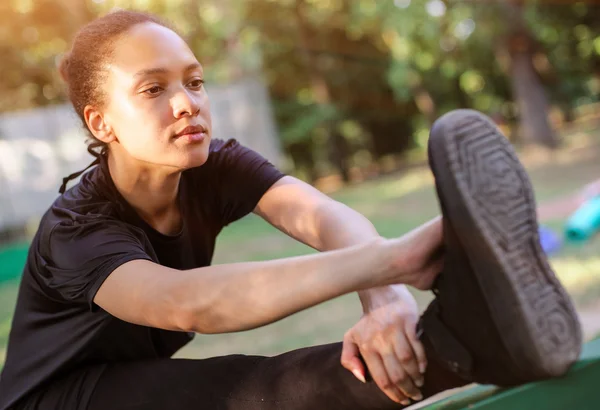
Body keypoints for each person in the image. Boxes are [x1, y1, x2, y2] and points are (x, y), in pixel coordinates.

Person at [0, 9, 456, 410]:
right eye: (154, 88)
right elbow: (186, 303)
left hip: (132, 384)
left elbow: (322, 216)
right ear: (101, 122)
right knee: (258, 388)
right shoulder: (75, 230)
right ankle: (467, 348)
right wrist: (398, 259)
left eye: (194, 82)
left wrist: (387, 300)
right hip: (57, 401)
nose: (187, 104)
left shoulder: (216, 165)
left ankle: (467, 345)